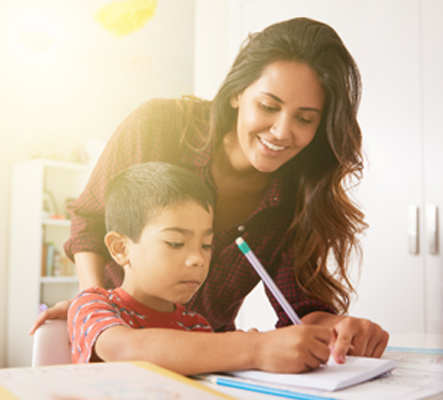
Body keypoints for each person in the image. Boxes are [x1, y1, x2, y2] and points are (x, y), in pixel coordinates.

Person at [31, 16, 389, 365]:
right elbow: (91, 220)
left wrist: (337, 328)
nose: (281, 131)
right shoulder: (157, 126)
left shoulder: (299, 192)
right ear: (237, 92)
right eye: (268, 106)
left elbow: (300, 309)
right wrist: (91, 300)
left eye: (305, 118)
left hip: (208, 361)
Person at [69, 161, 333, 375]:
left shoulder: (195, 326)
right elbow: (125, 349)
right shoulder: (93, 305)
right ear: (120, 248)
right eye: (175, 243)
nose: (198, 259)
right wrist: (255, 348)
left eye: (207, 245)